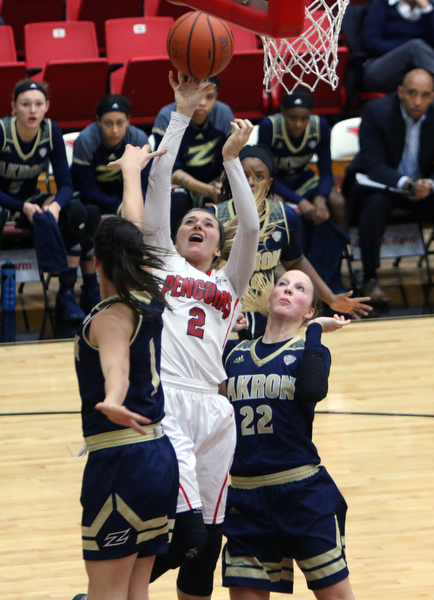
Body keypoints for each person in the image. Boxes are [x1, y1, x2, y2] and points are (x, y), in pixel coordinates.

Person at [115, 72, 260, 600]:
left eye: (207, 223)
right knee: (185, 531)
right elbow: (160, 185)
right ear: (174, 235)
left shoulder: (228, 281)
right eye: (188, 221)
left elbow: (249, 227)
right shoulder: (160, 259)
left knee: (208, 545)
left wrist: (231, 161)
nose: (197, 224)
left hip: (216, 411)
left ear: (217, 244)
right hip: (169, 400)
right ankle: (109, 591)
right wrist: (178, 115)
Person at [221, 269, 356, 600]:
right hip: (245, 495)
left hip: (301, 493)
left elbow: (312, 390)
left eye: (299, 288)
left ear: (310, 310)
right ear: (269, 298)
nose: (288, 289)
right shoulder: (235, 355)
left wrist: (314, 332)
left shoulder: (311, 350)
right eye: (282, 284)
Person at [73, 214, 179, 600]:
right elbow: (130, 224)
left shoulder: (110, 318)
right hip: (158, 457)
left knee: (107, 595)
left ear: (95, 261)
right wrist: (132, 171)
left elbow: (115, 366)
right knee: (136, 592)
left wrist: (113, 400)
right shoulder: (148, 300)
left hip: (121, 461)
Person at [214, 144, 371, 340]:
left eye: (259, 176)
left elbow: (295, 261)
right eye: (244, 176)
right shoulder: (214, 218)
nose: (251, 182)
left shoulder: (285, 217)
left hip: (265, 312)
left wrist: (330, 298)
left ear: (269, 183)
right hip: (222, 309)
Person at [0, 79, 100, 321]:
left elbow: (65, 184)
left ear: (46, 107)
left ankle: (67, 292)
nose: (32, 110)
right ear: (14, 106)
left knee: (78, 211)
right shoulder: (2, 130)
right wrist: (20, 206)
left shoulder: (51, 130)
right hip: (6, 201)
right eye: (26, 104)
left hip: (30, 199)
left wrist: (55, 206)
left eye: (38, 104)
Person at [343, 68, 434, 303]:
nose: (418, 101)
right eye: (412, 93)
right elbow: (373, 164)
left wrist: (430, 184)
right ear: (400, 92)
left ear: (433, 97)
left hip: (421, 188)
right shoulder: (376, 112)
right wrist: (408, 184)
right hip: (380, 186)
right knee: (374, 206)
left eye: (425, 95)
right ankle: (370, 277)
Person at [258, 89, 349, 293]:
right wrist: (300, 201)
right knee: (277, 207)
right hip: (274, 183)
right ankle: (275, 280)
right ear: (282, 113)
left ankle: (333, 271)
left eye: (303, 119)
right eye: (292, 118)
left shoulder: (320, 126)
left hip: (302, 179)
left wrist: (322, 199)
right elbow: (264, 175)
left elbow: (326, 172)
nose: (298, 124)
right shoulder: (269, 127)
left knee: (338, 203)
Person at [152, 75, 235, 234]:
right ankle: (174, 248)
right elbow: (168, 169)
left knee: (228, 196)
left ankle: (221, 250)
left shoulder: (223, 113)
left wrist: (222, 186)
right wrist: (208, 190)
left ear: (216, 96)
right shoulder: (166, 116)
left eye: (209, 97)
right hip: (179, 184)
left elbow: (231, 158)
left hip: (214, 180)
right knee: (177, 200)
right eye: (198, 96)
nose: (202, 102)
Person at [71, 94, 151, 217]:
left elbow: (145, 184)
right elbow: (85, 187)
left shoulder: (138, 139)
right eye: (108, 123)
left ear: (128, 120)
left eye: (120, 123)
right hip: (94, 201)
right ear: (99, 121)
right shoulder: (86, 140)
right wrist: (119, 206)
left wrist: (137, 206)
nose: (115, 130)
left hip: (127, 196)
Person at [362, 0, 434, 93]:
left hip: (415, 70)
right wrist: (406, 48)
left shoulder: (429, 8)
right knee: (414, 47)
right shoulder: (381, 4)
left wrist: (427, 10)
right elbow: (371, 44)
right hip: (380, 67)